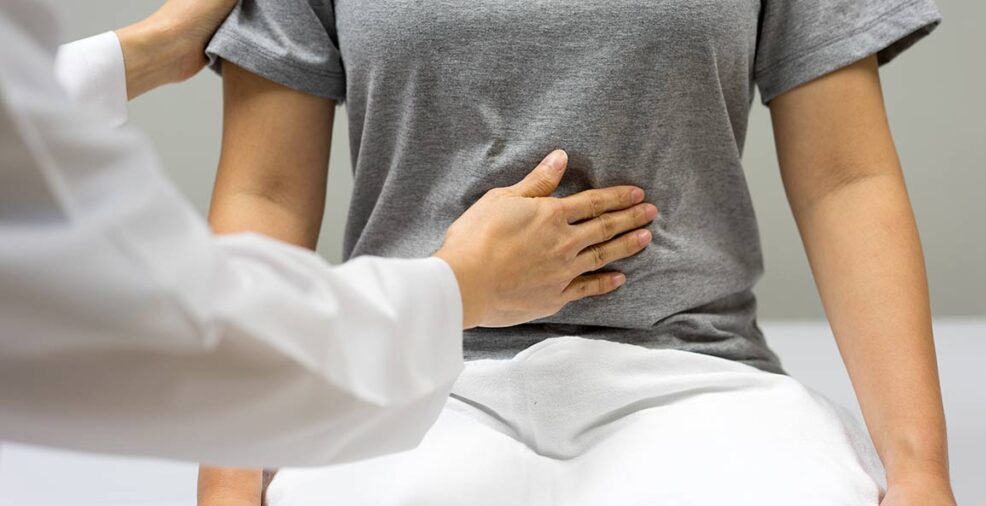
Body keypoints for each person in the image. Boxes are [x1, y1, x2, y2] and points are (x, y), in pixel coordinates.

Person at [184, 0, 974, 506]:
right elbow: (267, 194)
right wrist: (225, 488)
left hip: (695, 382)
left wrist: (917, 470)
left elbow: (847, 180)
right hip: (406, 380)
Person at [0, 0, 657, 468]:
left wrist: (150, 48)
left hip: (687, 370)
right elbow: (253, 214)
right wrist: (227, 493)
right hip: (425, 398)